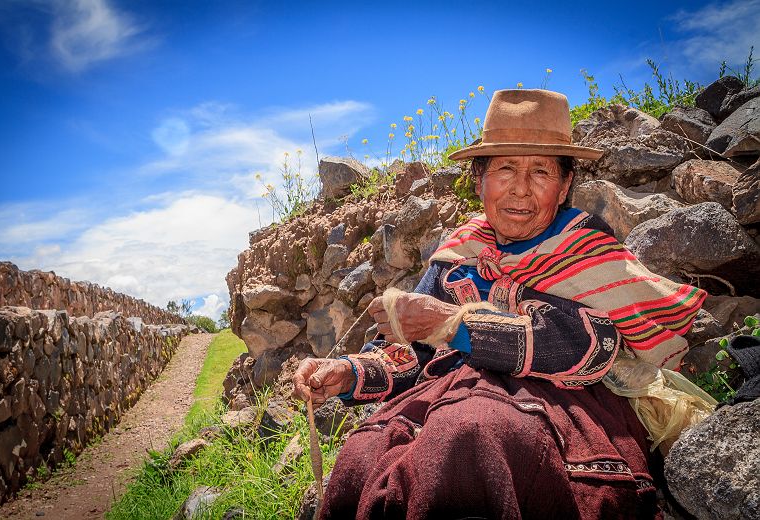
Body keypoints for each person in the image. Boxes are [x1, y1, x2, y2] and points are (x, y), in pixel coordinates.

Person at [293, 89, 706, 519]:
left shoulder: (587, 253)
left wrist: (452, 323)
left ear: (565, 185)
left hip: (562, 404)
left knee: (471, 434)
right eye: (505, 169)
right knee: (362, 454)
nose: (521, 190)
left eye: (542, 172)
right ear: (479, 179)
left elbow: (586, 347)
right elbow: (412, 356)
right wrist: (346, 372)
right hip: (446, 397)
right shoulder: (459, 254)